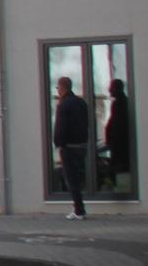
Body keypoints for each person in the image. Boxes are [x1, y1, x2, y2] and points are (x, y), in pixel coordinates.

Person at [51, 76, 92, 217]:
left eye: (57, 88)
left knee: (71, 179)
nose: (57, 90)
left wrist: (58, 142)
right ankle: (79, 209)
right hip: (81, 145)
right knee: (78, 177)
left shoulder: (64, 104)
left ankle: (79, 210)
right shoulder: (81, 102)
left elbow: (61, 126)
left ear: (62, 88)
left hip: (69, 147)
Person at [102, 78, 135, 191]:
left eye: (111, 88)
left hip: (119, 144)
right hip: (119, 143)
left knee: (118, 167)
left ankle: (120, 188)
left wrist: (111, 140)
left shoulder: (118, 103)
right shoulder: (123, 102)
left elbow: (116, 124)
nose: (109, 90)